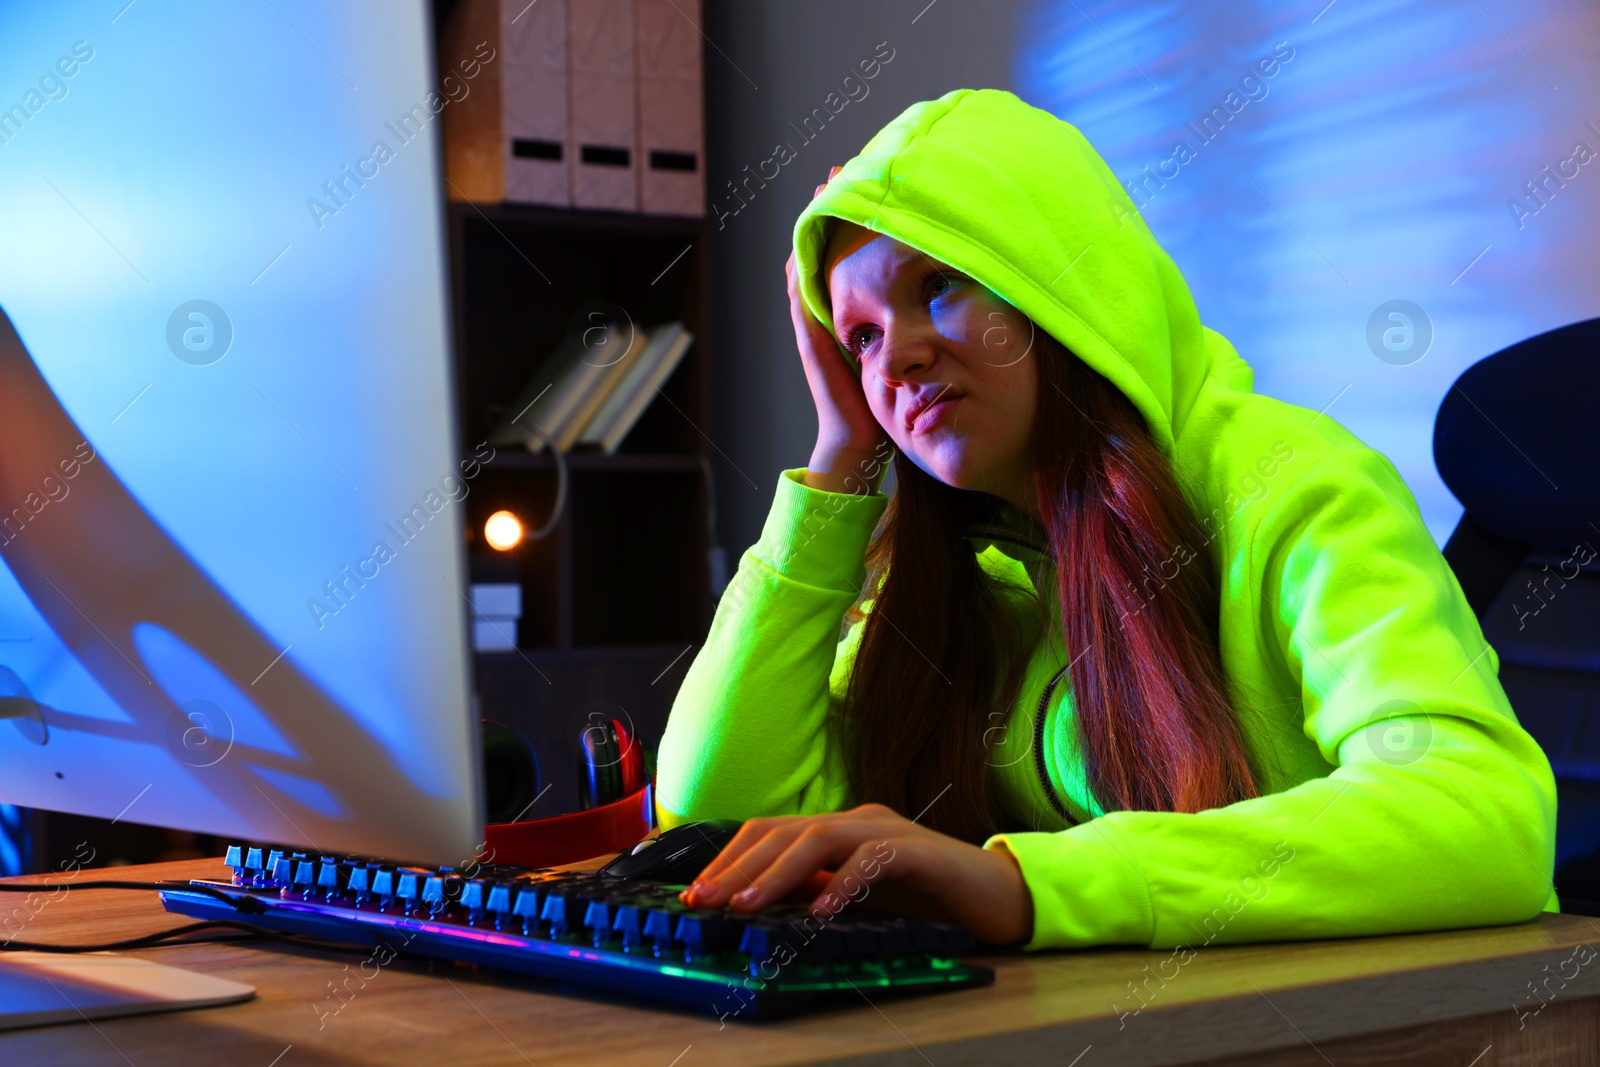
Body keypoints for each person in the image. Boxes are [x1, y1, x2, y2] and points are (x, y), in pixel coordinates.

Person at [655, 89, 1557, 949]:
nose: (900, 357)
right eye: (861, 338)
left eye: (937, 285)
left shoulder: (1292, 481)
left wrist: (1027, 887)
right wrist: (844, 460)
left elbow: (1484, 818)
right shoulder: (956, 565)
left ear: (1062, 285)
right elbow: (712, 810)